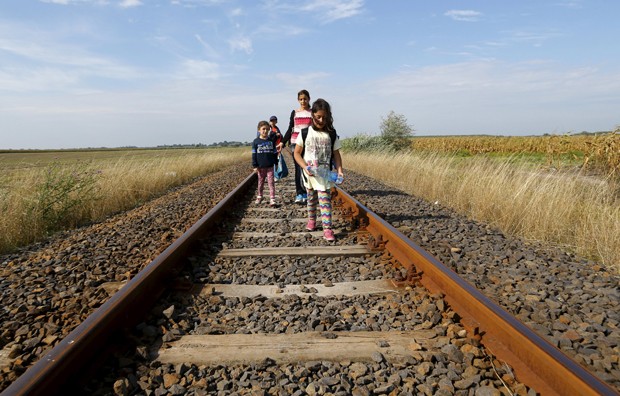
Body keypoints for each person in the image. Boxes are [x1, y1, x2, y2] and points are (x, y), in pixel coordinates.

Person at [293, 98, 343, 242]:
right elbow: (297, 153)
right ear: (312, 116)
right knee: (311, 199)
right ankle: (311, 220)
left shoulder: (331, 134)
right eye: (318, 117)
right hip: (309, 174)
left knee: (324, 200)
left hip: (324, 174)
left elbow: (336, 154)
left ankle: (327, 229)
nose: (321, 120)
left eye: (324, 117)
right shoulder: (305, 133)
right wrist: (304, 167)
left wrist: (339, 170)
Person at [281, 89, 312, 203]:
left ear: (309, 99)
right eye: (300, 99)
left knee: (308, 167)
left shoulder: (312, 112)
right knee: (298, 168)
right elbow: (290, 128)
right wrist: (282, 142)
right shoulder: (295, 112)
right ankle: (300, 193)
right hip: (295, 143)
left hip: (309, 143)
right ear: (298, 100)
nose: (303, 101)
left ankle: (308, 191)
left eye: (305, 99)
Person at [252, 120, 278, 207]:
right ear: (259, 130)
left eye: (267, 129)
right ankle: (260, 196)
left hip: (270, 166)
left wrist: (276, 163)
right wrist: (255, 166)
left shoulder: (271, 141)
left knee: (271, 183)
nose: (265, 131)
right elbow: (254, 154)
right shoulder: (256, 142)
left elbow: (275, 153)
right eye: (263, 129)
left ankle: (272, 198)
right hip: (261, 167)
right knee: (261, 182)